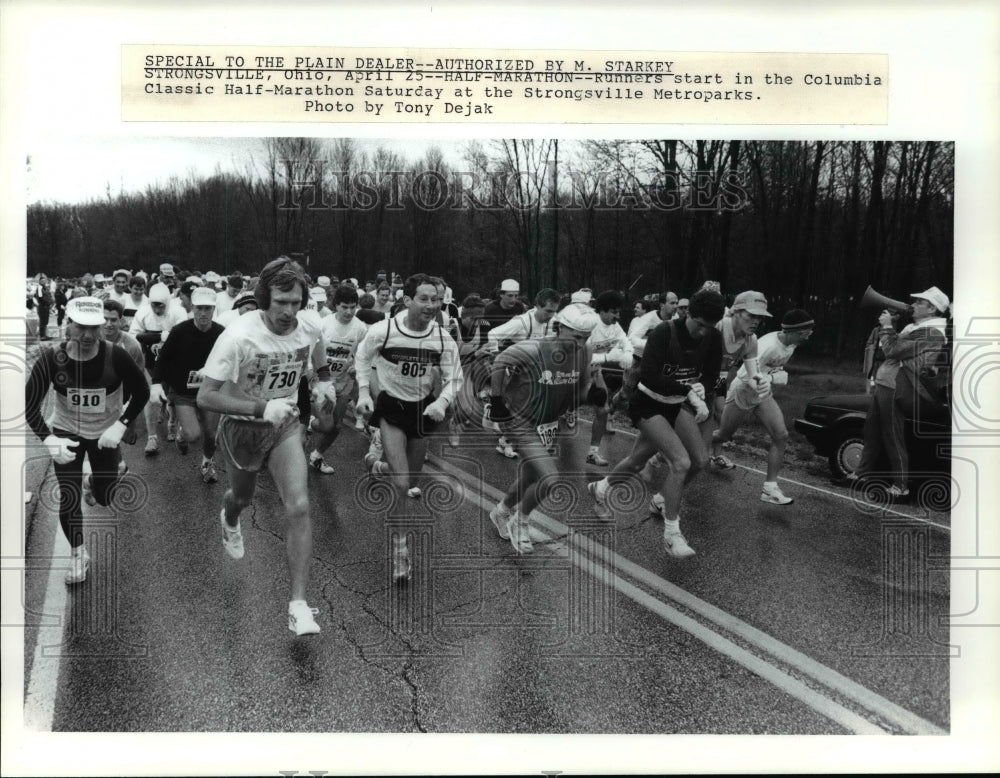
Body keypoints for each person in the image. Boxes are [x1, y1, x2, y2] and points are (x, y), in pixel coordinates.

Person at [197, 257, 336, 636]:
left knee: (300, 505)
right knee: (241, 498)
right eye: (280, 303)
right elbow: (207, 397)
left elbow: (319, 363)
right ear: (263, 299)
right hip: (243, 426)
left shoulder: (309, 326)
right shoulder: (238, 336)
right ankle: (229, 516)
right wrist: (261, 406)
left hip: (285, 425)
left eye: (296, 302)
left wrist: (324, 385)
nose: (289, 312)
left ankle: (298, 605)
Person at [588, 289, 725, 558]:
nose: (702, 332)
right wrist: (688, 391)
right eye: (699, 325)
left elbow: (711, 375)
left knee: (696, 460)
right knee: (681, 462)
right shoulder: (664, 332)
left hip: (677, 404)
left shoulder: (713, 336)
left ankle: (605, 489)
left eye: (709, 327)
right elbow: (648, 377)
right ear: (688, 314)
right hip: (648, 403)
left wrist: (701, 387)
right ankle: (672, 534)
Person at [25, 297, 150, 584]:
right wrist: (48, 440)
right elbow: (30, 403)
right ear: (68, 325)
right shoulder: (52, 358)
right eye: (81, 327)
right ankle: (79, 555)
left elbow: (141, 391)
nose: (88, 335)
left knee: (105, 497)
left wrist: (121, 424)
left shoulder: (116, 356)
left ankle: (94, 483)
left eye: (94, 328)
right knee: (68, 498)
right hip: (67, 433)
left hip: (105, 436)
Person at [355, 273, 463, 581]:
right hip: (392, 409)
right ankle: (400, 550)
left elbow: (455, 377)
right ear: (407, 300)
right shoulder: (384, 330)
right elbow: (362, 358)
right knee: (402, 486)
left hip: (423, 410)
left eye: (436, 300)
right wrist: (364, 391)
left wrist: (442, 403)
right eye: (424, 299)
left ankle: (378, 465)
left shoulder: (442, 338)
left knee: (411, 479)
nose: (431, 305)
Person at [486, 305, 599, 554]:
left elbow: (578, 394)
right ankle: (521, 522)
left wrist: (594, 395)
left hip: (548, 422)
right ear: (561, 328)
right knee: (549, 478)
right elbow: (499, 361)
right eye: (577, 337)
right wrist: (495, 401)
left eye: (586, 337)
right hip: (519, 419)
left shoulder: (585, 352)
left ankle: (501, 512)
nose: (581, 343)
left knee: (532, 476)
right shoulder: (533, 348)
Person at [847, 287, 950, 499]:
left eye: (920, 302)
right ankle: (860, 474)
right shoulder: (917, 328)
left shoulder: (932, 333)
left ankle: (901, 487)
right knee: (872, 431)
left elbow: (892, 350)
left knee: (892, 435)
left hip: (899, 386)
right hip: (888, 383)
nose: (913, 305)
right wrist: (890, 327)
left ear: (931, 309)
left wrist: (886, 327)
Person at [709, 309, 815, 505]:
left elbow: (773, 369)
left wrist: (774, 375)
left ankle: (770, 489)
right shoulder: (768, 345)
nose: (807, 338)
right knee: (723, 435)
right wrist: (773, 377)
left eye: (809, 334)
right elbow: (743, 374)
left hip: (762, 393)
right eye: (805, 334)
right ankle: (686, 446)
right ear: (793, 331)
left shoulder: (791, 344)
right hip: (742, 391)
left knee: (781, 435)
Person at [150, 287, 225, 482]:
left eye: (208, 309)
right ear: (192, 307)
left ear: (214, 309)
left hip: (209, 390)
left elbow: (230, 361)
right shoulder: (180, 331)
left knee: (211, 433)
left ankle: (207, 464)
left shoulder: (221, 333)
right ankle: (182, 434)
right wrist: (156, 382)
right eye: (199, 308)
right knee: (193, 435)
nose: (203, 313)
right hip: (183, 391)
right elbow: (163, 358)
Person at [486, 287, 562, 458]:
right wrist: (496, 356)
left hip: (538, 372)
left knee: (534, 410)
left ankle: (510, 439)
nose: (551, 315)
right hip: (516, 370)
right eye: (548, 311)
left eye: (554, 311)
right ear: (537, 306)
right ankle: (505, 438)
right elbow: (493, 334)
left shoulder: (555, 321)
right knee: (517, 409)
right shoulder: (521, 322)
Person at [307, 284, 369, 474]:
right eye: (344, 307)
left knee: (337, 425)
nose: (349, 312)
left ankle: (317, 455)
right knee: (326, 425)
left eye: (353, 307)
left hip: (343, 382)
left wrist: (354, 367)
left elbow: (363, 355)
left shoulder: (360, 328)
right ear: (336, 306)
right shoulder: (323, 324)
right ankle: (309, 422)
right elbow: (310, 351)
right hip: (321, 381)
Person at [702, 290, 769, 468]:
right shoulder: (717, 326)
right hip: (696, 380)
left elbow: (753, 372)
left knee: (721, 417)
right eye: (752, 315)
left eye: (760, 317)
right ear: (737, 312)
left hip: (719, 380)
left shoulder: (751, 340)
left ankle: (716, 456)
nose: (756, 321)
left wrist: (761, 382)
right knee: (694, 420)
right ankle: (659, 456)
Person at [130, 282, 187, 454]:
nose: (157, 309)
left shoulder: (178, 311)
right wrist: (159, 336)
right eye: (154, 304)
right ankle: (152, 438)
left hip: (173, 361)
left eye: (160, 305)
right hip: (151, 361)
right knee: (151, 397)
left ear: (168, 303)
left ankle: (174, 426)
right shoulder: (143, 312)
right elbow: (134, 336)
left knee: (173, 396)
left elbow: (184, 336)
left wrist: (155, 337)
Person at [585, 291, 634, 466]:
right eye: (614, 312)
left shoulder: (615, 326)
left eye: (619, 312)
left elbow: (625, 341)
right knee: (555, 410)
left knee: (603, 410)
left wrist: (627, 352)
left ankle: (592, 453)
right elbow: (580, 357)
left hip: (594, 370)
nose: (617, 316)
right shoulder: (589, 325)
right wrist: (607, 358)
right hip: (574, 369)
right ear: (602, 311)